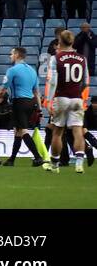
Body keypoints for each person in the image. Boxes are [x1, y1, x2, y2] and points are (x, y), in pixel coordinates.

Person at [43, 31, 89, 174]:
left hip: (61, 97)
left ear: (60, 41)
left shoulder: (56, 58)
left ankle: (55, 164)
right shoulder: (82, 59)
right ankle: (80, 163)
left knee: (57, 132)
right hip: (77, 98)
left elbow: (53, 81)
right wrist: (79, 94)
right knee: (78, 131)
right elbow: (86, 81)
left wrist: (49, 100)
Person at [0, 47, 44, 167]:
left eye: (11, 54)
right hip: (31, 103)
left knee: (23, 130)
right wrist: (40, 109)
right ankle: (12, 160)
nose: (10, 56)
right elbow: (37, 92)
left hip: (19, 102)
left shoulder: (12, 70)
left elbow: (3, 89)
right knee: (18, 131)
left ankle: (37, 157)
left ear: (16, 55)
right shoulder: (32, 70)